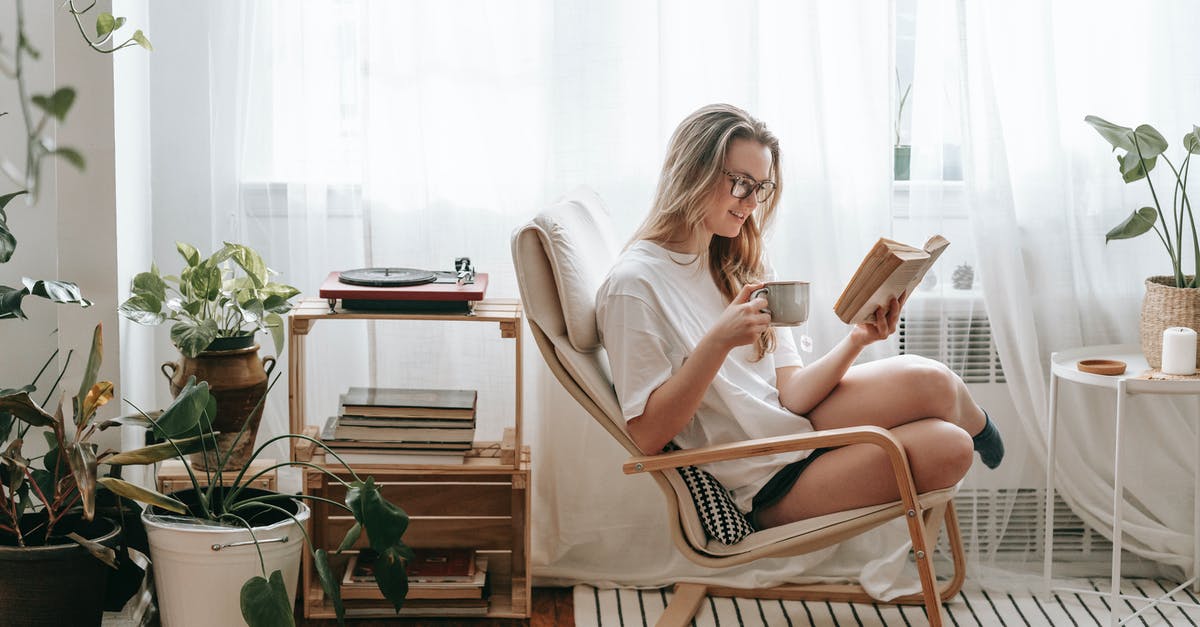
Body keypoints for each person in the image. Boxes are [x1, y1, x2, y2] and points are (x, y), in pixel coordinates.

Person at [595, 103, 1003, 531]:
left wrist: (857, 340)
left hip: (794, 427)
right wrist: (717, 342)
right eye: (741, 184)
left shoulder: (735, 259)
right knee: (950, 448)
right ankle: (973, 434)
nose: (752, 203)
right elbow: (645, 436)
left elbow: (789, 392)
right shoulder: (634, 285)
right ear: (692, 173)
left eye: (762, 188)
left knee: (933, 381)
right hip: (764, 479)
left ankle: (983, 429)